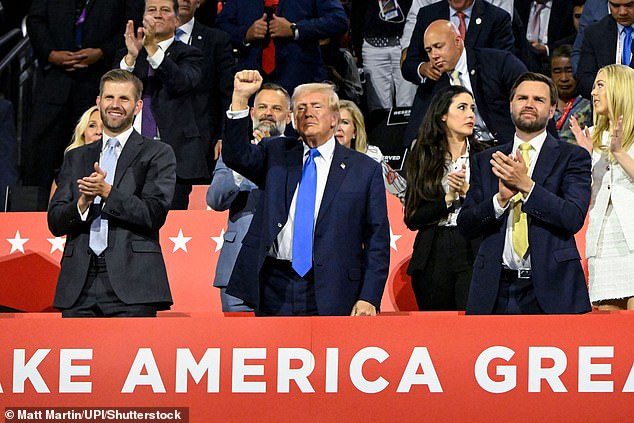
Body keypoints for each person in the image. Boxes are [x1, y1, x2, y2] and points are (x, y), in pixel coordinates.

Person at [222, 70, 390, 316]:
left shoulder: (364, 170)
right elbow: (236, 155)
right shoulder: (275, 152)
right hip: (274, 285)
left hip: (335, 287)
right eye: (300, 108)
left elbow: (377, 239)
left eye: (316, 106)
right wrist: (240, 98)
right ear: (292, 119)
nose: (307, 113)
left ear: (334, 118)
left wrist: (369, 296)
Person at [457, 72, 592, 315]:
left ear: (552, 110)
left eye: (539, 100)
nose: (529, 104)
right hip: (493, 290)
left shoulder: (572, 157)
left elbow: (573, 217)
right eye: (522, 98)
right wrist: (499, 201)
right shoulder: (487, 160)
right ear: (511, 105)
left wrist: (527, 187)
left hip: (553, 290)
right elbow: (466, 224)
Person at [48, 69, 177, 317]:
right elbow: (55, 222)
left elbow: (153, 213)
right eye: (109, 98)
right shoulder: (76, 157)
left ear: (138, 106)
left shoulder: (158, 153)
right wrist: (83, 202)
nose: (115, 105)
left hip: (134, 283)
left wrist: (107, 193)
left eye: (124, 99)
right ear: (98, 102)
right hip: (78, 284)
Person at [23, 0, 142, 191]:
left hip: (97, 80)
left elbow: (132, 25)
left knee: (92, 155)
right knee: (40, 157)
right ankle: (36, 214)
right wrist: (50, 53)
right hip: (54, 82)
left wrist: (103, 52)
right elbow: (35, 20)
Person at [207, 82, 292, 312]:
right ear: (252, 113)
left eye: (276, 108)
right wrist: (241, 163)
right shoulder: (232, 153)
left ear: (290, 116)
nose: (268, 113)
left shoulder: (298, 155)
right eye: (262, 107)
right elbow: (215, 200)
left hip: (283, 271)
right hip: (236, 269)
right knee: (239, 345)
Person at [118, 0, 204, 210]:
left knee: (170, 223)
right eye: (152, 10)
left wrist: (152, 50)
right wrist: (130, 58)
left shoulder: (189, 54)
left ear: (176, 20)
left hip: (173, 157)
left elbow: (181, 82)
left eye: (165, 10)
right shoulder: (132, 54)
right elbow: (115, 93)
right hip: (131, 154)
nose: (157, 15)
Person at [404, 85, 482, 310]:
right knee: (437, 331)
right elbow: (412, 218)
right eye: (462, 107)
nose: (470, 114)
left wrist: (468, 193)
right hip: (433, 251)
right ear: (443, 116)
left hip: (473, 248)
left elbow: (493, 210)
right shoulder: (423, 156)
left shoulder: (485, 155)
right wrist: (448, 199)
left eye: (472, 108)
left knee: (471, 330)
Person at [402, 19, 526, 147]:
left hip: (508, 146)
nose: (434, 55)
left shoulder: (499, 62)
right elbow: (416, 128)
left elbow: (529, 95)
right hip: (466, 151)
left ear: (457, 42)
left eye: (438, 47)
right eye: (428, 50)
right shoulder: (434, 80)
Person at [571, 64, 634, 310]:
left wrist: (619, 152)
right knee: (609, 326)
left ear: (620, 89)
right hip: (603, 241)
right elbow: (587, 196)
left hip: (631, 239)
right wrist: (584, 158)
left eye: (600, 85)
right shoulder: (593, 137)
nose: (593, 92)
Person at [214, 0, 348, 96]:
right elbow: (221, 26)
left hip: (301, 79)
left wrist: (295, 29)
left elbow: (338, 20)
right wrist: (246, 34)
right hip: (252, 82)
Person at [176, 0, 234, 175]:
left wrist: (224, 136)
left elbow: (227, 93)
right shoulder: (146, 39)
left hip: (200, 144)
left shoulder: (216, 40)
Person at [336, 99, 407, 203]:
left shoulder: (371, 157)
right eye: (334, 122)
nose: (338, 128)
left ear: (355, 132)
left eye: (344, 122)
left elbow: (400, 191)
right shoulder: (314, 159)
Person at [576, 0, 634, 99]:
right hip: (606, 109)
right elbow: (584, 80)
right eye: (615, 6)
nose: (622, 12)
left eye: (629, 5)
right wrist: (610, 95)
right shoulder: (594, 32)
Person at [50, 106, 103, 197]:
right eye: (92, 126)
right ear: (83, 133)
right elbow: (55, 210)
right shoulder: (67, 170)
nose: (98, 131)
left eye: (104, 126)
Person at [516, 0, 576, 74]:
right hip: (523, 61)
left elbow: (574, 37)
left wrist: (546, 49)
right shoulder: (518, 4)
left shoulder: (567, 6)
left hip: (552, 60)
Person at [550, 44, 593, 144]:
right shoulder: (544, 103)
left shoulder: (591, 104)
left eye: (569, 71)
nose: (564, 78)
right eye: (557, 72)